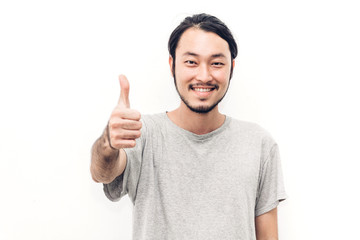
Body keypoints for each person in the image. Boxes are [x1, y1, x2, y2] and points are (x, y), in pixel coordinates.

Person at [91, 13, 286, 240]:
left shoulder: (259, 144)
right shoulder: (141, 133)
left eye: (216, 63)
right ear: (173, 65)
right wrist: (109, 143)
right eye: (191, 62)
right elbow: (102, 174)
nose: (204, 75)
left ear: (231, 68)